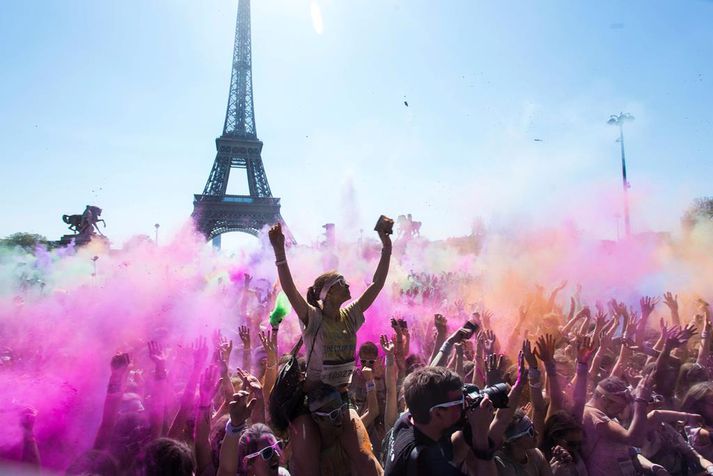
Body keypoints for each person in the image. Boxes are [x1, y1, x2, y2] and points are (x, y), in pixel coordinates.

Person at [268, 220, 391, 476]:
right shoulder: (313, 318)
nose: (348, 286)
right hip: (310, 404)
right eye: (342, 283)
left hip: (342, 400)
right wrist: (280, 253)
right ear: (330, 292)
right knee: (309, 470)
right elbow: (290, 292)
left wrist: (386, 247)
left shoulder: (351, 315)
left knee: (367, 461)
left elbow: (376, 285)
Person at [384, 366, 494, 476]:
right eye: (459, 402)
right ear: (437, 413)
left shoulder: (405, 421)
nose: (464, 404)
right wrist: (481, 434)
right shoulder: (424, 462)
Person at [580, 375, 652, 476]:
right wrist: (641, 402)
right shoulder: (592, 414)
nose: (621, 411)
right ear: (604, 399)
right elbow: (634, 439)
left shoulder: (604, 415)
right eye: (619, 406)